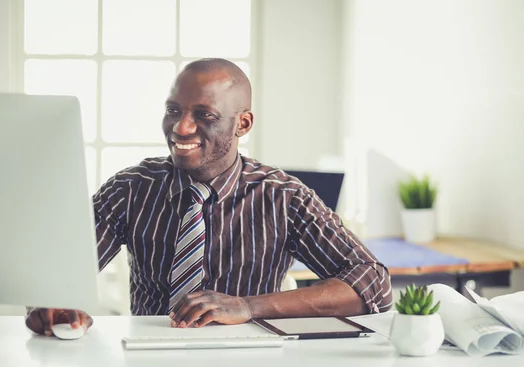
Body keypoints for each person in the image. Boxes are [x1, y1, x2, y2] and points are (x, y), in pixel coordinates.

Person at [26, 58, 392, 336]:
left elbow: (374, 284)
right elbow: (58, 275)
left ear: (242, 124)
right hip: (149, 359)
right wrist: (54, 305)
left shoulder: (284, 198)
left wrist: (249, 306)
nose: (181, 128)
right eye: (173, 111)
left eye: (204, 115)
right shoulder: (131, 188)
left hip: (248, 366)